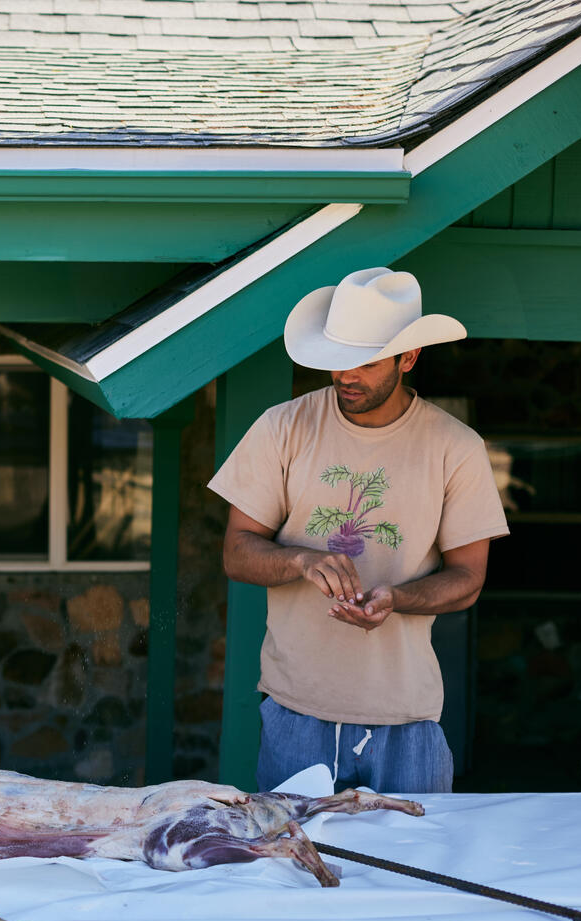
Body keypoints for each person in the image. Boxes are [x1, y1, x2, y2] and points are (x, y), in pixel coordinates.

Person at [208, 268, 508, 794]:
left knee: (413, 872)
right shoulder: (282, 427)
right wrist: (301, 560)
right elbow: (236, 552)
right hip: (294, 710)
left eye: (366, 362)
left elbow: (468, 577)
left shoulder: (455, 447)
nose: (347, 375)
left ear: (407, 358)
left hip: (408, 719)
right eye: (338, 359)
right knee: (290, 871)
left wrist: (398, 598)